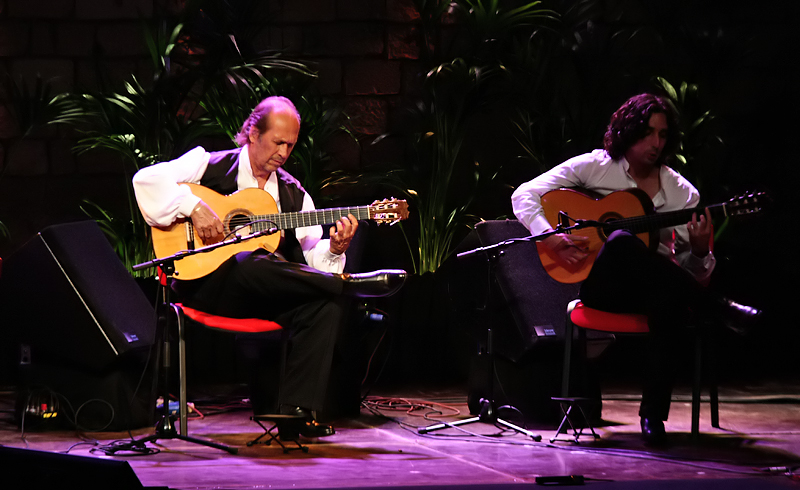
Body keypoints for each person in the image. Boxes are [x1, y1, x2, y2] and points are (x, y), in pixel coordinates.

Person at [133, 96, 406, 439]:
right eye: (277, 141)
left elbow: (314, 262)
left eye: (290, 145)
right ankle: (348, 285)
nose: (283, 152)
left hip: (263, 294)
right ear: (252, 133)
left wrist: (335, 249)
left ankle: (295, 413)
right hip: (205, 286)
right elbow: (144, 180)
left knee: (325, 304)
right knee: (251, 260)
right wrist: (193, 206)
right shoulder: (208, 165)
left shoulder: (295, 196)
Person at [511, 93, 760, 444]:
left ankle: (652, 419)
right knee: (622, 241)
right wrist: (549, 237)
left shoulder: (682, 194)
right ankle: (719, 308)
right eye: (647, 133)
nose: (656, 143)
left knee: (668, 298)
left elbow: (690, 272)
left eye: (662, 135)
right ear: (627, 132)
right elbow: (523, 194)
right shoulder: (596, 167)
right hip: (603, 288)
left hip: (655, 291)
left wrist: (702, 250)